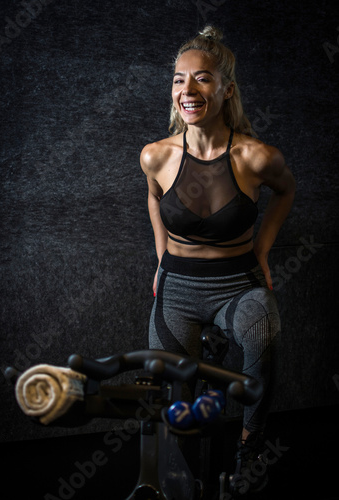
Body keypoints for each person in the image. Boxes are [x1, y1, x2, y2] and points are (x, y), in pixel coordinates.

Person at [140, 26, 295, 494]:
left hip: (238, 283)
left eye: (202, 79)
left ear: (226, 88)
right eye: (178, 80)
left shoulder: (256, 157)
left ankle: (250, 447)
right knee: (171, 392)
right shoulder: (156, 156)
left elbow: (286, 191)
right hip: (178, 289)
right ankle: (180, 470)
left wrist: (263, 250)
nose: (187, 90)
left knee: (263, 334)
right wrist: (161, 256)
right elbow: (152, 200)